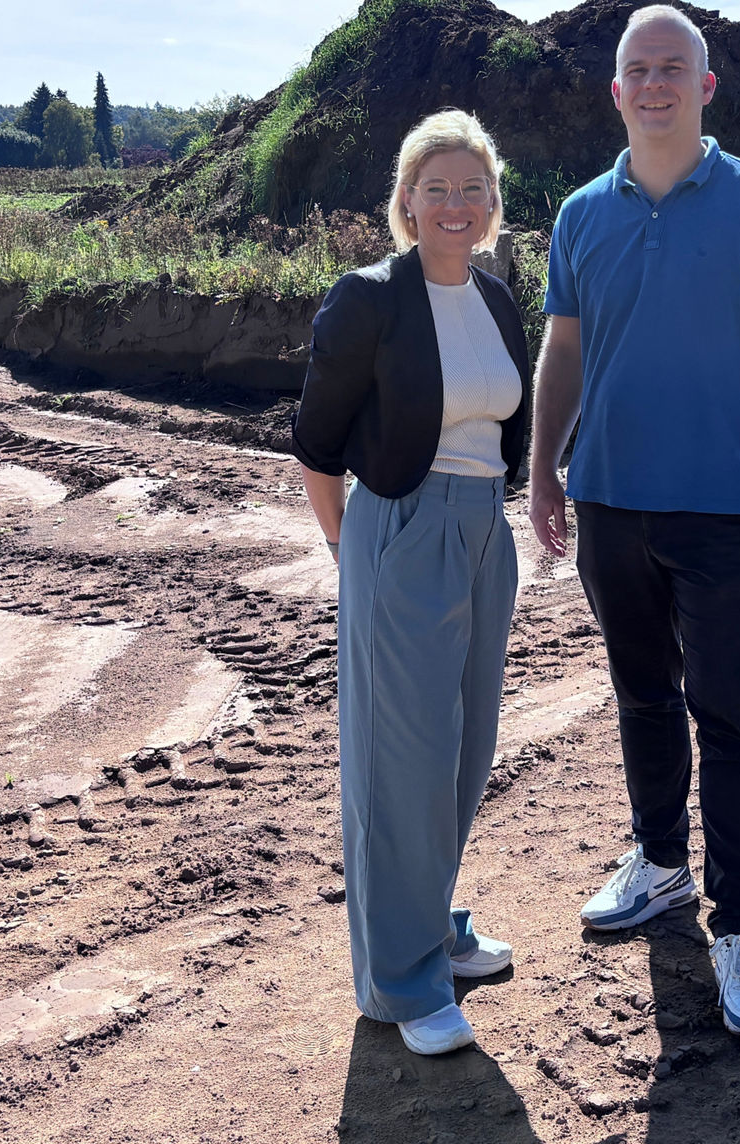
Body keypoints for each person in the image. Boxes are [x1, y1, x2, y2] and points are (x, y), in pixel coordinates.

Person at [528, 5, 740, 1036]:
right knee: (641, 696)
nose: (652, 84)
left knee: (731, 717)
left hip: (721, 509)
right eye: (636, 70)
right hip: (609, 499)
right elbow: (561, 350)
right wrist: (543, 467)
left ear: (705, 87)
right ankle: (659, 864)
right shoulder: (578, 214)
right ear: (615, 92)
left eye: (672, 69)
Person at [292, 109, 530, 1056]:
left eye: (473, 188)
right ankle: (402, 982)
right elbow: (316, 441)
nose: (456, 205)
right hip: (401, 527)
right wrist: (360, 553)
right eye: (437, 188)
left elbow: (503, 424)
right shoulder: (370, 298)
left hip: (483, 530)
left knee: (466, 750)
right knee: (403, 764)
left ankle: (429, 925)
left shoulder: (497, 298)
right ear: (405, 201)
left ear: (493, 203)